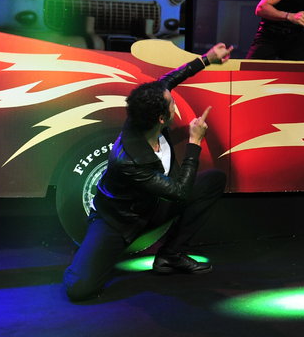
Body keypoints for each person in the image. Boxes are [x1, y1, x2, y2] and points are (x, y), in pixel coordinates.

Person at [64, 42, 233, 301]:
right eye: (172, 104)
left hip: (152, 205)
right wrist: (194, 142)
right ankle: (92, 252)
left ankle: (170, 255)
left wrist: (206, 59)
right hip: (119, 222)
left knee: (213, 180)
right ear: (161, 119)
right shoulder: (130, 160)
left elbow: (167, 81)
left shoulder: (144, 113)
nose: (174, 103)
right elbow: (179, 193)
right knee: (79, 288)